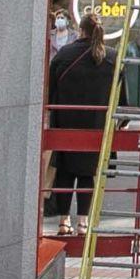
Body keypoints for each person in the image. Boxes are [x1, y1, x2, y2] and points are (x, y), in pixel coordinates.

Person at [45, 12, 115, 227]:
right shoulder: (112, 58)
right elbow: (120, 97)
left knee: (65, 173)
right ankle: (83, 222)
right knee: (87, 174)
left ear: (81, 30)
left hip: (65, 122)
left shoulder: (64, 54)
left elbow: (50, 90)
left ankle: (64, 221)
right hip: (96, 125)